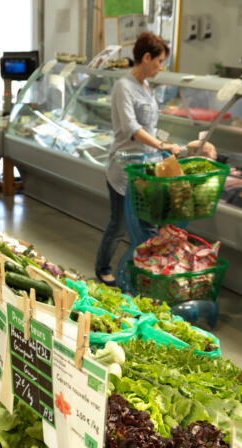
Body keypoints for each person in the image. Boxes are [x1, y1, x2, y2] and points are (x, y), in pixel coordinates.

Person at [94, 32, 214, 290]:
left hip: (147, 171)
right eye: (159, 61)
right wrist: (161, 145)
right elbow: (131, 127)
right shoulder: (123, 87)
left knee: (148, 228)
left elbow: (151, 127)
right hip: (124, 168)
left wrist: (171, 148)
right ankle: (102, 268)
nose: (161, 67)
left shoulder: (149, 90)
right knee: (119, 225)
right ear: (145, 57)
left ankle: (145, 278)